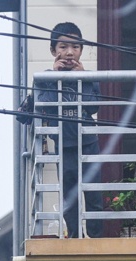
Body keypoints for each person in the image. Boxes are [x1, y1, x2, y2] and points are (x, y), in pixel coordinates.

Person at [34, 22, 87, 235]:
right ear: (53, 50)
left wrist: (83, 77)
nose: (69, 52)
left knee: (93, 193)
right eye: (63, 47)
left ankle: (97, 235)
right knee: (69, 195)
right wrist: (55, 77)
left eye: (75, 47)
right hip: (63, 144)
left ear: (81, 50)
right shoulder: (46, 78)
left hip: (88, 142)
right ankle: (74, 235)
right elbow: (45, 107)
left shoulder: (89, 76)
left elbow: (94, 106)